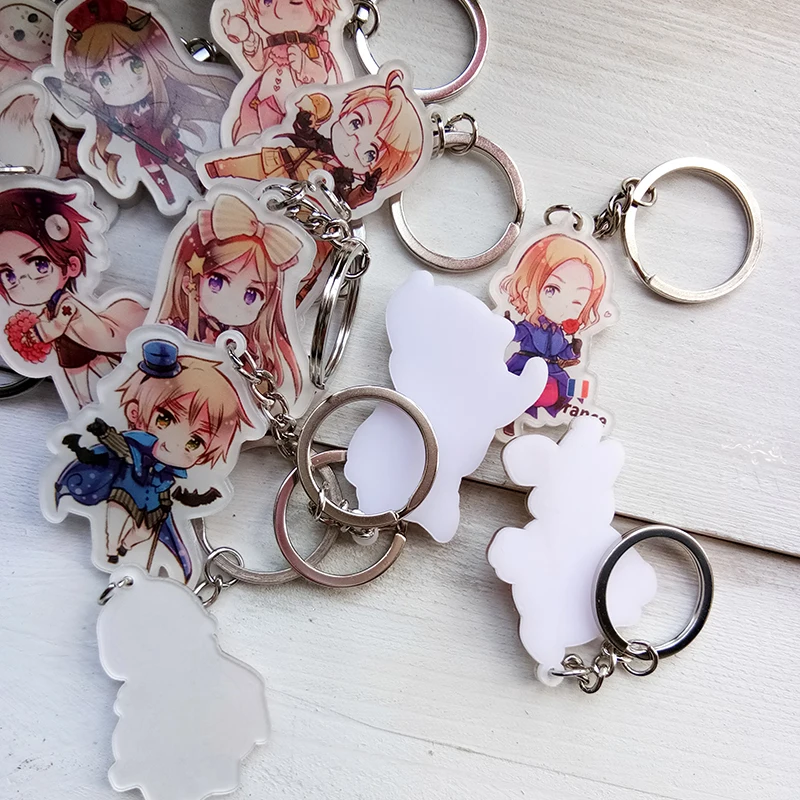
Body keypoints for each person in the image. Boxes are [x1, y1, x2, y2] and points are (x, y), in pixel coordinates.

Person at [56, 339, 252, 582]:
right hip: (126, 490)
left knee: (143, 532)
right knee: (114, 518)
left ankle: (125, 547)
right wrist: (104, 433)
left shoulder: (175, 472)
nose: (174, 444)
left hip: (154, 504)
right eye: (165, 420)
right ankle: (110, 550)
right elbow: (122, 449)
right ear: (136, 413)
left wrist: (198, 497)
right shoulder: (140, 444)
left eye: (194, 442)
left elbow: (181, 491)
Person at [0, 185, 145, 410]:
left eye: (39, 265)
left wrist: (37, 334)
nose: (23, 280)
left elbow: (56, 327)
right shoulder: (48, 308)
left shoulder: (67, 305)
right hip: (71, 367)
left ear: (71, 266)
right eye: (8, 275)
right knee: (84, 402)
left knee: (110, 396)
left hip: (94, 359)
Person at [204, 69, 424, 210]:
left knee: (239, 206)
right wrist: (304, 120)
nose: (355, 140)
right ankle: (210, 172)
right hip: (277, 161)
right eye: (356, 122)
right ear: (345, 113)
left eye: (370, 153)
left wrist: (366, 190)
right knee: (228, 167)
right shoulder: (322, 143)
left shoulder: (342, 179)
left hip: (294, 202)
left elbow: (350, 201)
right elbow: (305, 134)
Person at [501, 234, 608, 420]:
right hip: (525, 365)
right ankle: (510, 417)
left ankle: (570, 411)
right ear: (530, 288)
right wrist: (507, 325)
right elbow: (516, 334)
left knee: (567, 389)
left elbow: (563, 352)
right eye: (552, 289)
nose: (563, 305)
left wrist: (574, 350)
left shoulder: (559, 333)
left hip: (552, 370)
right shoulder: (530, 325)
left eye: (577, 301)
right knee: (516, 388)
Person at [219, 0, 345, 143]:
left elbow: (321, 76)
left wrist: (303, 63)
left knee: (286, 139)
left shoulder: (312, 48)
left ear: (321, 16)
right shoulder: (273, 48)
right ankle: (248, 140)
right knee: (250, 132)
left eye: (294, 3)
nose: (276, 12)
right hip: (260, 103)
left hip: (290, 111)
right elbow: (258, 64)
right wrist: (248, 41)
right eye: (267, 2)